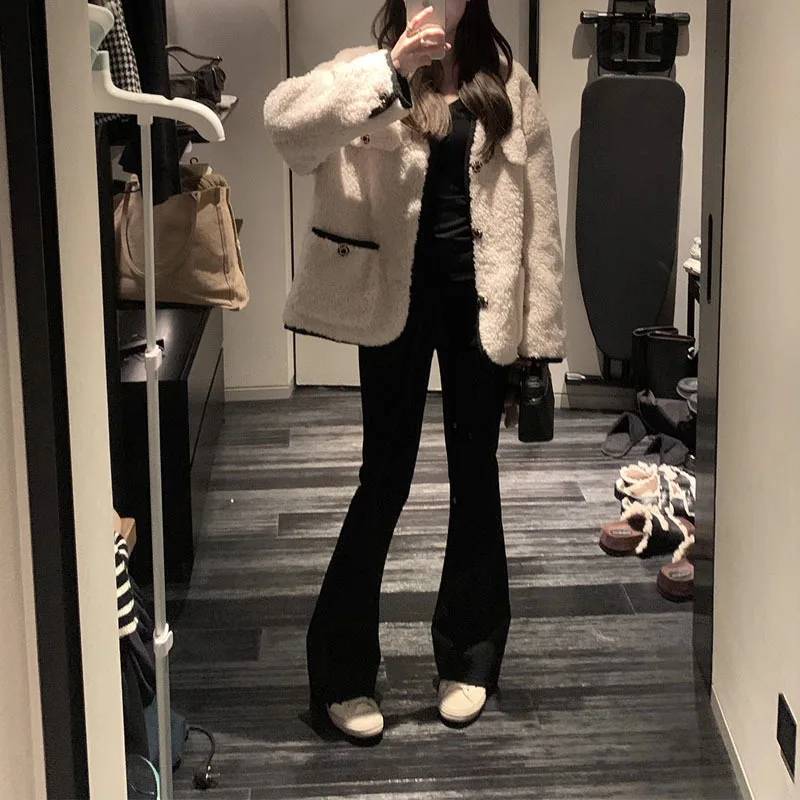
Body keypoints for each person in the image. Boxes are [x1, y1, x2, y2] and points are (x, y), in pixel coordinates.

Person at [264, 0, 565, 742]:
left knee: (476, 473)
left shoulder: (509, 84)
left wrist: (537, 338)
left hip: (482, 304)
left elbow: (540, 219)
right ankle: (342, 672)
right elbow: (286, 131)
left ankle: (470, 655)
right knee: (385, 475)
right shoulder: (362, 71)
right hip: (391, 302)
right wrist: (390, 70)